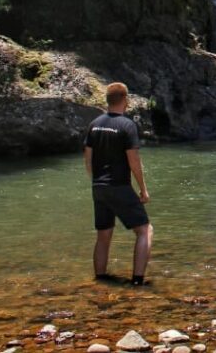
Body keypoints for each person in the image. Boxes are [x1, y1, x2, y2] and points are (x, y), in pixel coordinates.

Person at [83, 82, 153, 286]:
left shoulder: (94, 124)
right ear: (125, 100)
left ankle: (101, 278)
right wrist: (143, 188)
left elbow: (87, 157)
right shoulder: (127, 125)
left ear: (108, 100)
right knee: (145, 231)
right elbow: (134, 160)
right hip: (119, 186)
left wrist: (95, 179)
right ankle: (138, 280)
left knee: (103, 234)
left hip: (98, 187)